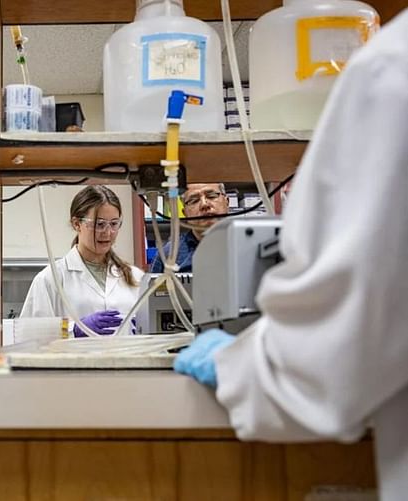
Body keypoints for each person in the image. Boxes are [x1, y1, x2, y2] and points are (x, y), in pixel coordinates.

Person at [174, 10, 408, 500]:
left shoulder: (390, 66)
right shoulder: (387, 63)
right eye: (192, 199)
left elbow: (328, 368)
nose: (204, 206)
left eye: (212, 195)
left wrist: (242, 367)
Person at [20, 185, 144, 337]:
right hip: (76, 361)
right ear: (76, 224)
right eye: (99, 224)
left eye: (114, 224)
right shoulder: (50, 279)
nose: (108, 232)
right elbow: (28, 335)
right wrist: (74, 330)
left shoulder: (135, 277)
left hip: (128, 361)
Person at [150, 183, 229, 273]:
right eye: (194, 201)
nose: (204, 205)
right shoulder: (167, 255)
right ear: (185, 213)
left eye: (211, 196)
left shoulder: (246, 245)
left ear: (226, 202)